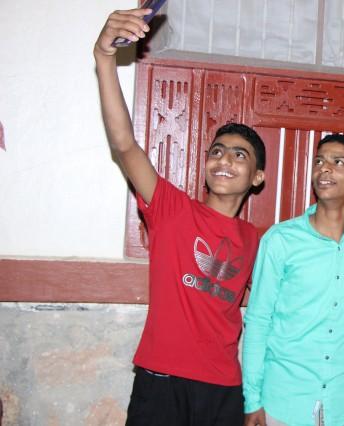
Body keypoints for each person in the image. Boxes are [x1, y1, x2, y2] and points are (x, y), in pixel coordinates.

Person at [94, 8, 266, 425]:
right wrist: (104, 58)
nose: (224, 160)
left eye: (239, 155)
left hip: (223, 389)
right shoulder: (171, 209)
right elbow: (125, 145)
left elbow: (270, 313)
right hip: (161, 384)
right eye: (217, 151)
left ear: (257, 177)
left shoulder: (258, 240)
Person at [242, 134, 344, 426]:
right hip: (284, 399)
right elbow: (258, 321)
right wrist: (252, 400)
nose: (324, 168)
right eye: (319, 161)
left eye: (338, 162)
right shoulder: (281, 239)